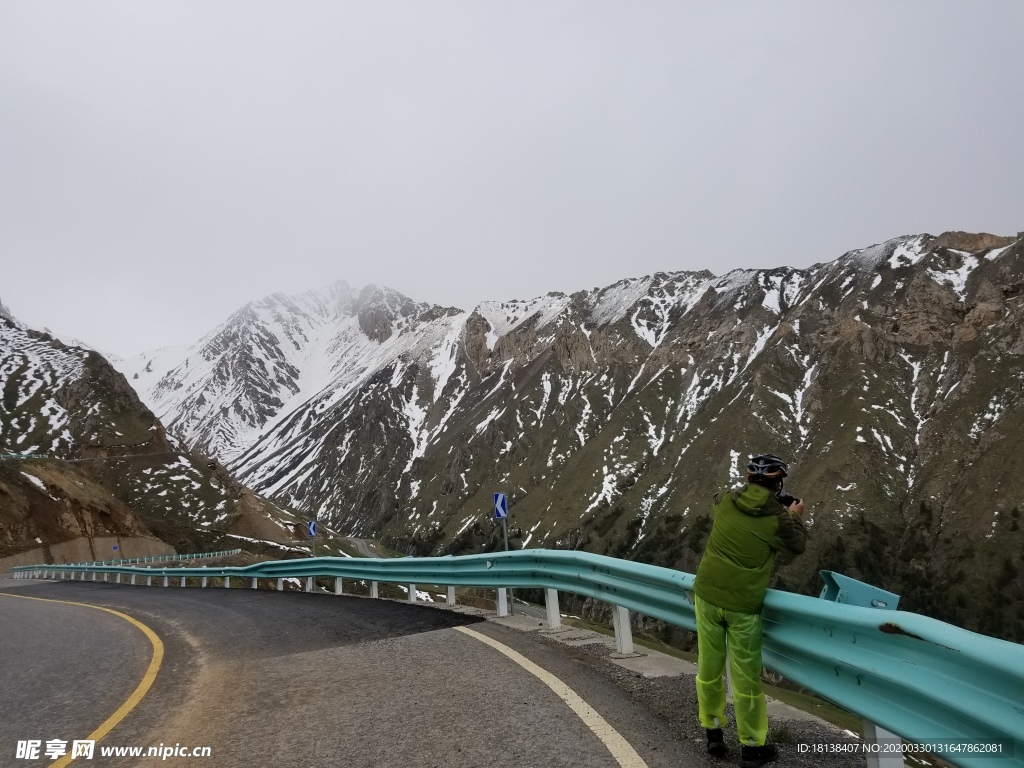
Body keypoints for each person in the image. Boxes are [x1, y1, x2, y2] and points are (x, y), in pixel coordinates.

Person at [692, 453, 808, 768]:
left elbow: (717, 500)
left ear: (748, 479)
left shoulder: (726, 500)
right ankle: (753, 747)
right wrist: (795, 514)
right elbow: (797, 546)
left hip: (706, 595)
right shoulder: (778, 519)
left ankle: (713, 732)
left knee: (709, 666)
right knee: (745, 678)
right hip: (742, 605)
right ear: (778, 483)